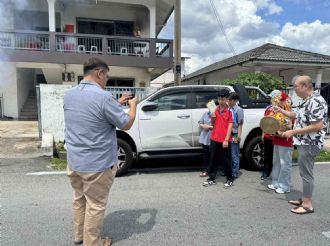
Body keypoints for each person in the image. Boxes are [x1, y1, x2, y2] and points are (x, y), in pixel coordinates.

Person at [64, 57, 137, 245]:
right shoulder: (103, 97)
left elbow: (92, 114)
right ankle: (93, 243)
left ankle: (80, 236)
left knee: (79, 200)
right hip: (96, 164)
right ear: (99, 73)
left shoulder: (70, 94)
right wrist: (133, 107)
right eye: (106, 76)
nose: (106, 80)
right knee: (95, 205)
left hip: (74, 161)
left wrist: (117, 102)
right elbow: (126, 124)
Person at [274, 75, 328, 214]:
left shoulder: (316, 101)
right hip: (304, 142)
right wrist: (281, 111)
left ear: (305, 86)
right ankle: (304, 198)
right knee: (304, 172)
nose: (294, 89)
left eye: (296, 86)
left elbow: (317, 125)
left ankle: (307, 204)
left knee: (306, 174)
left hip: (310, 143)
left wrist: (293, 131)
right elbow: (296, 115)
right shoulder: (306, 100)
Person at [203, 89, 233, 188]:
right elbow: (213, 123)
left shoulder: (230, 111)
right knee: (213, 159)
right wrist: (213, 116)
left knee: (226, 160)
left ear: (227, 99)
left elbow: (230, 125)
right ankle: (211, 178)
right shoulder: (215, 109)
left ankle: (229, 179)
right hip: (214, 138)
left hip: (224, 139)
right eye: (219, 99)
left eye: (223, 99)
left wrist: (226, 139)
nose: (221, 101)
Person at [266, 91, 294, 194]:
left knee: (284, 163)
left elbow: (289, 127)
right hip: (277, 139)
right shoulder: (277, 112)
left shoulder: (289, 113)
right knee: (276, 162)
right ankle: (275, 182)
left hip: (285, 141)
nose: (276, 104)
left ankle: (285, 186)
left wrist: (278, 132)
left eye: (278, 102)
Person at [260, 90, 281, 180]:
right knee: (267, 155)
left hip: (278, 136)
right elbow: (264, 122)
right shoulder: (268, 109)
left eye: (273, 97)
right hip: (268, 136)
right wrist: (263, 133)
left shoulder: (282, 109)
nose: (271, 99)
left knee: (277, 156)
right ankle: (266, 171)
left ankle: (276, 173)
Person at [228, 92, 244, 179]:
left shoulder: (239, 110)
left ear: (235, 100)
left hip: (234, 133)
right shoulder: (228, 109)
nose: (228, 101)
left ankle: (235, 172)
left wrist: (239, 135)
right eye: (228, 100)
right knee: (228, 153)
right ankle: (229, 170)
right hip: (228, 133)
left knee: (234, 153)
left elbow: (240, 124)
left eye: (230, 100)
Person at [198, 108, 213, 177]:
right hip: (204, 137)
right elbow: (200, 122)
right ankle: (206, 170)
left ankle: (212, 171)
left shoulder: (218, 114)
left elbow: (220, 126)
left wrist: (209, 126)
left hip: (213, 137)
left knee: (213, 155)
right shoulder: (205, 114)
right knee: (206, 155)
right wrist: (203, 125)